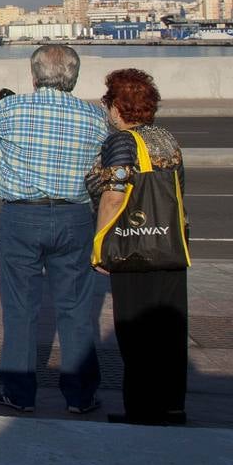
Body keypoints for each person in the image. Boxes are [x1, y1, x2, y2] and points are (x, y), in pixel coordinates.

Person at [0, 44, 109, 415]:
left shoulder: (11, 107)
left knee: (20, 307)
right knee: (76, 308)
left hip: (22, 217)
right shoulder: (94, 116)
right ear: (74, 77)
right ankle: (80, 396)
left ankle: (19, 392)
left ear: (34, 77)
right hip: (74, 217)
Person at [90, 68, 189, 426]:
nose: (106, 109)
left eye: (107, 102)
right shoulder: (166, 138)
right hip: (172, 248)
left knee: (136, 332)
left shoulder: (122, 142)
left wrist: (101, 244)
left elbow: (114, 196)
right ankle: (171, 406)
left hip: (136, 249)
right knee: (169, 334)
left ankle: (142, 410)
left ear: (117, 107)